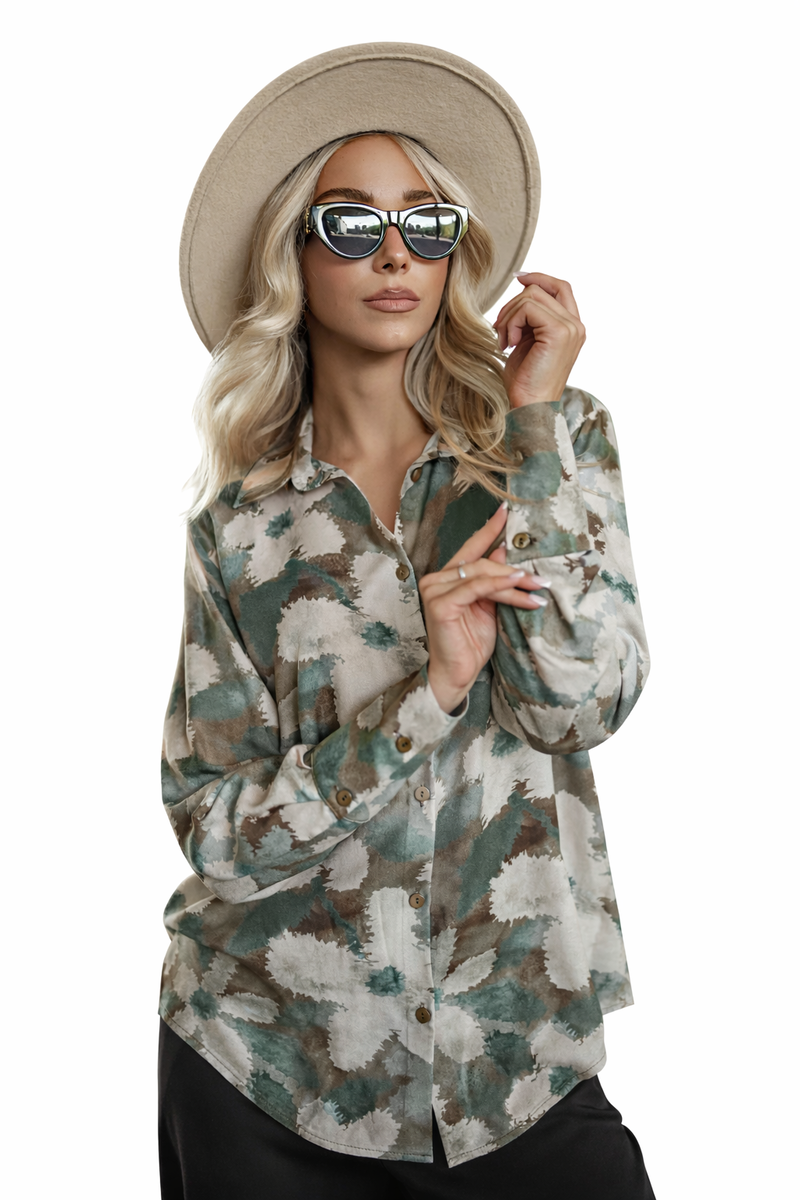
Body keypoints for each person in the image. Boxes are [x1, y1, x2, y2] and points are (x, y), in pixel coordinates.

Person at [158, 43, 655, 1200]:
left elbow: (577, 702)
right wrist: (422, 700)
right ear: (290, 254)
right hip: (270, 1069)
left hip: (514, 1063)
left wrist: (530, 428)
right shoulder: (242, 530)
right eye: (350, 225)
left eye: (426, 226)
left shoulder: (555, 437)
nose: (394, 254)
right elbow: (217, 830)